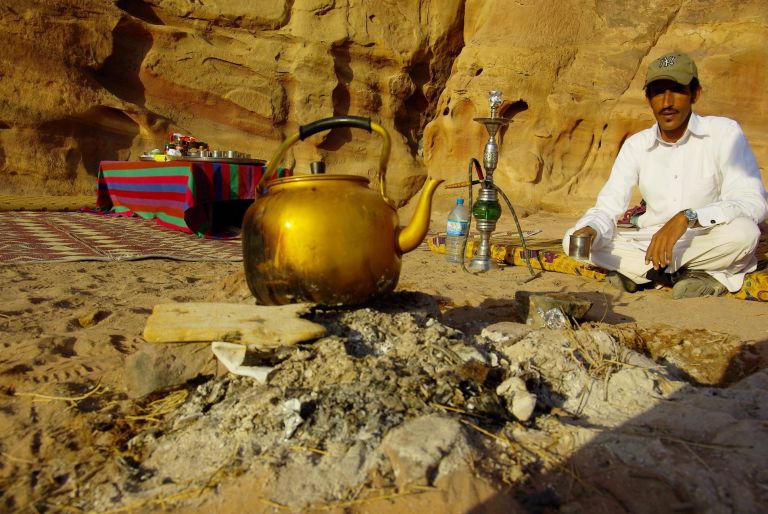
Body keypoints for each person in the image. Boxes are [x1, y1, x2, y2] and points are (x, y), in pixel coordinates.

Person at [563, 51, 768, 299]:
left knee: (744, 234)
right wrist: (592, 228)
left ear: (695, 93)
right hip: (650, 241)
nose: (667, 102)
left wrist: (689, 217)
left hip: (703, 237)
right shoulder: (636, 145)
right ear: (648, 99)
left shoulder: (724, 132)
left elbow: (753, 202)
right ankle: (696, 274)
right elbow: (608, 206)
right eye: (658, 92)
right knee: (573, 240)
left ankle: (643, 274)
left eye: (677, 90)